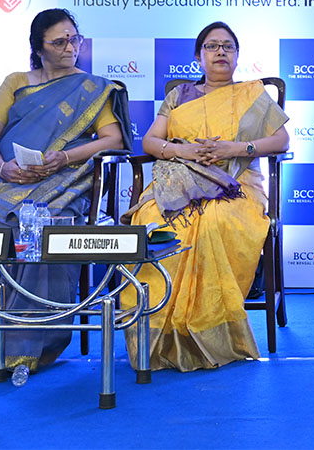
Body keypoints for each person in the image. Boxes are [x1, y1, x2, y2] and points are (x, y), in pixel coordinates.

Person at [0, 8, 130, 373]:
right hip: (5, 176)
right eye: (60, 42)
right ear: (39, 47)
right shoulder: (17, 82)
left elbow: (112, 139)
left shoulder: (92, 88)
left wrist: (64, 157)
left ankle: (21, 344)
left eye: (74, 40)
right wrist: (2, 167)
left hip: (61, 178)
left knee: (39, 225)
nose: (70, 48)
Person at [121, 22, 290, 372]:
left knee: (214, 220)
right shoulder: (179, 95)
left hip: (236, 184)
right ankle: (158, 334)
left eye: (228, 46)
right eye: (212, 46)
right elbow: (150, 141)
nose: (220, 52)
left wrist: (236, 148)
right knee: (152, 221)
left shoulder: (251, 95)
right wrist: (182, 152)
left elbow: (281, 141)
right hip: (179, 183)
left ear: (237, 55)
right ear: (198, 56)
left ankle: (211, 331)